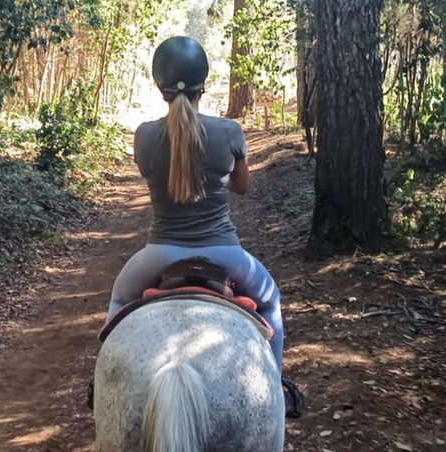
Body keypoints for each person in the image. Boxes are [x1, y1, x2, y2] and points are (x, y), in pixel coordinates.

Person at [104, 36, 303, 418]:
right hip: (224, 254)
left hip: (158, 253)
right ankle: (275, 392)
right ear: (204, 86)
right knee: (272, 301)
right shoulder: (229, 131)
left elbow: (153, 175)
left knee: (117, 301)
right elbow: (242, 188)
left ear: (159, 87)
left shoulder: (144, 135)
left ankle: (104, 384)